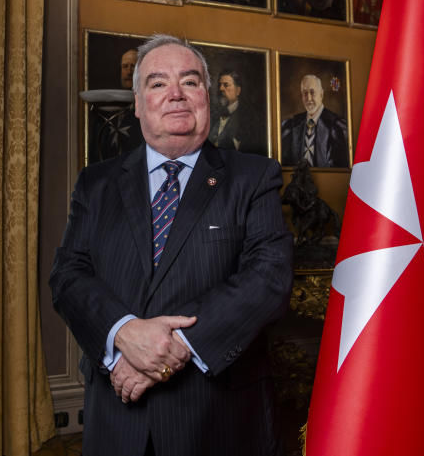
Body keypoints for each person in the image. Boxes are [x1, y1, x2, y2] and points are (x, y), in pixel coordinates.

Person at [50, 34, 293, 456]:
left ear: (207, 99)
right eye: (158, 83)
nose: (176, 94)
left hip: (219, 416)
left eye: (191, 81)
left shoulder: (254, 176)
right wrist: (123, 333)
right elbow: (69, 275)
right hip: (117, 408)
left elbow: (268, 278)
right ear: (138, 104)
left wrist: (171, 350)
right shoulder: (96, 182)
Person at [87, 48, 144, 163]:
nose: (128, 71)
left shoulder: (147, 109)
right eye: (125, 66)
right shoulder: (105, 111)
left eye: (132, 66)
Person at [280, 74, 349, 168]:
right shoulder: (291, 125)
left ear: (321, 94)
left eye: (312, 92)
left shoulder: (336, 126)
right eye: (305, 93)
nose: (309, 98)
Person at [207, 69, 267, 155]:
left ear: (238, 91)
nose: (221, 89)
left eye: (226, 85)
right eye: (220, 85)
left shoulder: (249, 117)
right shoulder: (212, 115)